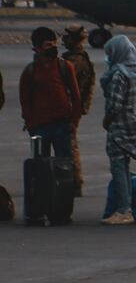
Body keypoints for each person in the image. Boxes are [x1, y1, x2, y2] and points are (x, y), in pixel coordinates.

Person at [98, 33, 136, 225]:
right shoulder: (132, 73)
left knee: (118, 167)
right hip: (128, 122)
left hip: (118, 126)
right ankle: (127, 208)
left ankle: (123, 210)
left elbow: (115, 103)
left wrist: (107, 119)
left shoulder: (119, 74)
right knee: (123, 166)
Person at [20, 27, 84, 185]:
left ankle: (64, 199)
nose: (53, 48)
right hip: (39, 126)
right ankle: (44, 199)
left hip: (62, 125)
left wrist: (73, 122)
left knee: (64, 167)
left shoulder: (65, 67)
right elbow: (25, 101)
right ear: (37, 48)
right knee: (41, 168)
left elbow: (76, 97)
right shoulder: (30, 71)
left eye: (54, 44)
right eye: (48, 45)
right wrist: (30, 125)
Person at [60, 24, 94, 197]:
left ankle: (75, 182)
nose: (63, 40)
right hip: (73, 106)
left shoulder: (76, 60)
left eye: (66, 37)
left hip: (71, 107)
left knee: (69, 144)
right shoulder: (75, 57)